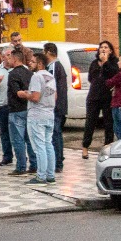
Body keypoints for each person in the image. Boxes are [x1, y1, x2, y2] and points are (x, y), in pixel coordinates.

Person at [81, 40, 119, 159]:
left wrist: (105, 62)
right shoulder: (94, 63)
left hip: (108, 96)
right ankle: (85, 147)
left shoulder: (114, 63)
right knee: (90, 122)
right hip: (94, 96)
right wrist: (100, 65)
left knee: (108, 122)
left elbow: (114, 74)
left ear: (110, 50)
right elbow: (91, 78)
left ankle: (107, 147)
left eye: (106, 47)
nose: (103, 49)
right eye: (101, 47)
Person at [25, 53, 58, 185]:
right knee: (48, 144)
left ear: (40, 64)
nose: (30, 64)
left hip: (37, 114)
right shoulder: (51, 77)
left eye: (33, 62)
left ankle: (41, 176)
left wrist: (25, 94)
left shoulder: (36, 76)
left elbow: (35, 97)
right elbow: (55, 97)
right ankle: (50, 174)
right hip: (49, 113)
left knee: (39, 146)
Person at [6, 47, 37, 176]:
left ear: (14, 59)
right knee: (29, 139)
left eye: (10, 58)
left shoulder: (13, 74)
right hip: (28, 109)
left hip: (16, 109)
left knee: (18, 139)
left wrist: (23, 94)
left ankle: (21, 166)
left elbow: (16, 92)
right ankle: (34, 164)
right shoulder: (30, 73)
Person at [43, 43, 68, 173]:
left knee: (55, 133)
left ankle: (58, 161)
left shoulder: (53, 67)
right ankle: (58, 160)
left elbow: (51, 87)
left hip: (56, 106)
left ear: (48, 52)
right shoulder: (58, 66)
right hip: (60, 105)